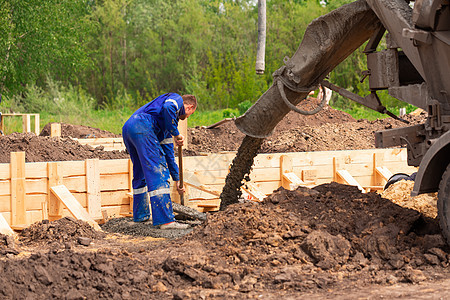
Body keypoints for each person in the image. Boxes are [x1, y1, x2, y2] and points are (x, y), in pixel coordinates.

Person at [122, 93, 197, 229]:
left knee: (140, 174)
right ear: (190, 107)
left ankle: (141, 216)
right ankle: (166, 221)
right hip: (143, 127)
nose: (185, 118)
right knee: (158, 171)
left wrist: (177, 179)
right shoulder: (176, 99)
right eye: (189, 115)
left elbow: (169, 154)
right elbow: (169, 107)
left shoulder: (165, 126)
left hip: (129, 128)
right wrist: (176, 133)